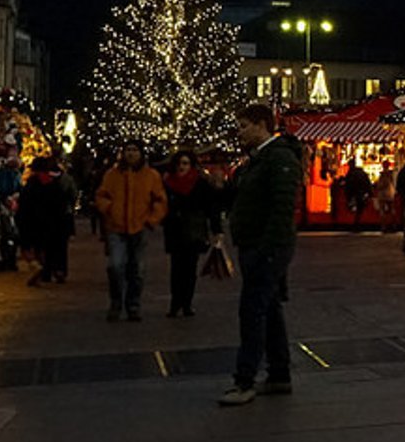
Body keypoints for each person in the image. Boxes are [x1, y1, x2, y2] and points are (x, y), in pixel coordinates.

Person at [221, 104, 304, 406]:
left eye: (243, 126)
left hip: (265, 247)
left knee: (252, 311)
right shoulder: (258, 160)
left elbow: (282, 209)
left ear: (261, 125)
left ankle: (245, 380)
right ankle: (279, 374)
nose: (239, 132)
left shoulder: (278, 158)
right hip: (256, 245)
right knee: (268, 309)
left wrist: (268, 249)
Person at [94, 142, 166, 322]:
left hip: (139, 227)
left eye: (135, 150)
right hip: (116, 228)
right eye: (128, 150)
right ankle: (116, 302)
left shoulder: (151, 176)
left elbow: (160, 200)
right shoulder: (112, 175)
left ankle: (133, 304)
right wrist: (109, 209)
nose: (131, 154)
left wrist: (151, 220)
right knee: (115, 266)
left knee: (137, 270)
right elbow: (101, 195)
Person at [162, 150, 222, 318]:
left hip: (193, 230)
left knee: (189, 268)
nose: (181, 167)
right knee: (176, 269)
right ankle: (176, 302)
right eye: (179, 163)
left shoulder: (200, 184)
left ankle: (186, 302)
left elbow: (211, 208)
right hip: (175, 230)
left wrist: (217, 229)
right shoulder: (168, 183)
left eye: (185, 163)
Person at [18, 155, 76, 286]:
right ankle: (57, 270)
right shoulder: (53, 183)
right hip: (54, 222)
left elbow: (25, 205)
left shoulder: (31, 184)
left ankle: (43, 271)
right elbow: (63, 201)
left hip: (36, 223)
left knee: (38, 248)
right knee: (55, 247)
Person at [342, 160, 373, 230]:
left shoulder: (350, 174)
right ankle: (357, 223)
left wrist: (347, 194)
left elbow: (348, 184)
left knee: (353, 209)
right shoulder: (362, 173)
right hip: (361, 193)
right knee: (359, 209)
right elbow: (367, 183)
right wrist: (369, 192)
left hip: (353, 194)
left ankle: (355, 223)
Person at [373, 162, 397, 233]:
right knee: (392, 210)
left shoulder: (383, 175)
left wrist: (378, 186)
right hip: (390, 193)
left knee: (382, 210)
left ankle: (384, 226)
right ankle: (393, 225)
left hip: (383, 194)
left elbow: (382, 184)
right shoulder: (391, 174)